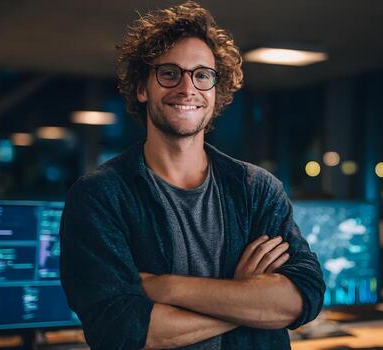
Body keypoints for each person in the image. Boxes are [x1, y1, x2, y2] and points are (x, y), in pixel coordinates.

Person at [60, 2, 324, 349]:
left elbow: (302, 297)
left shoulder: (256, 189)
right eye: (169, 73)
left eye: (202, 75)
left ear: (216, 92)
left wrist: (167, 287)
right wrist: (244, 297)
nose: (188, 88)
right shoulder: (99, 196)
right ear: (142, 88)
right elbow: (122, 332)